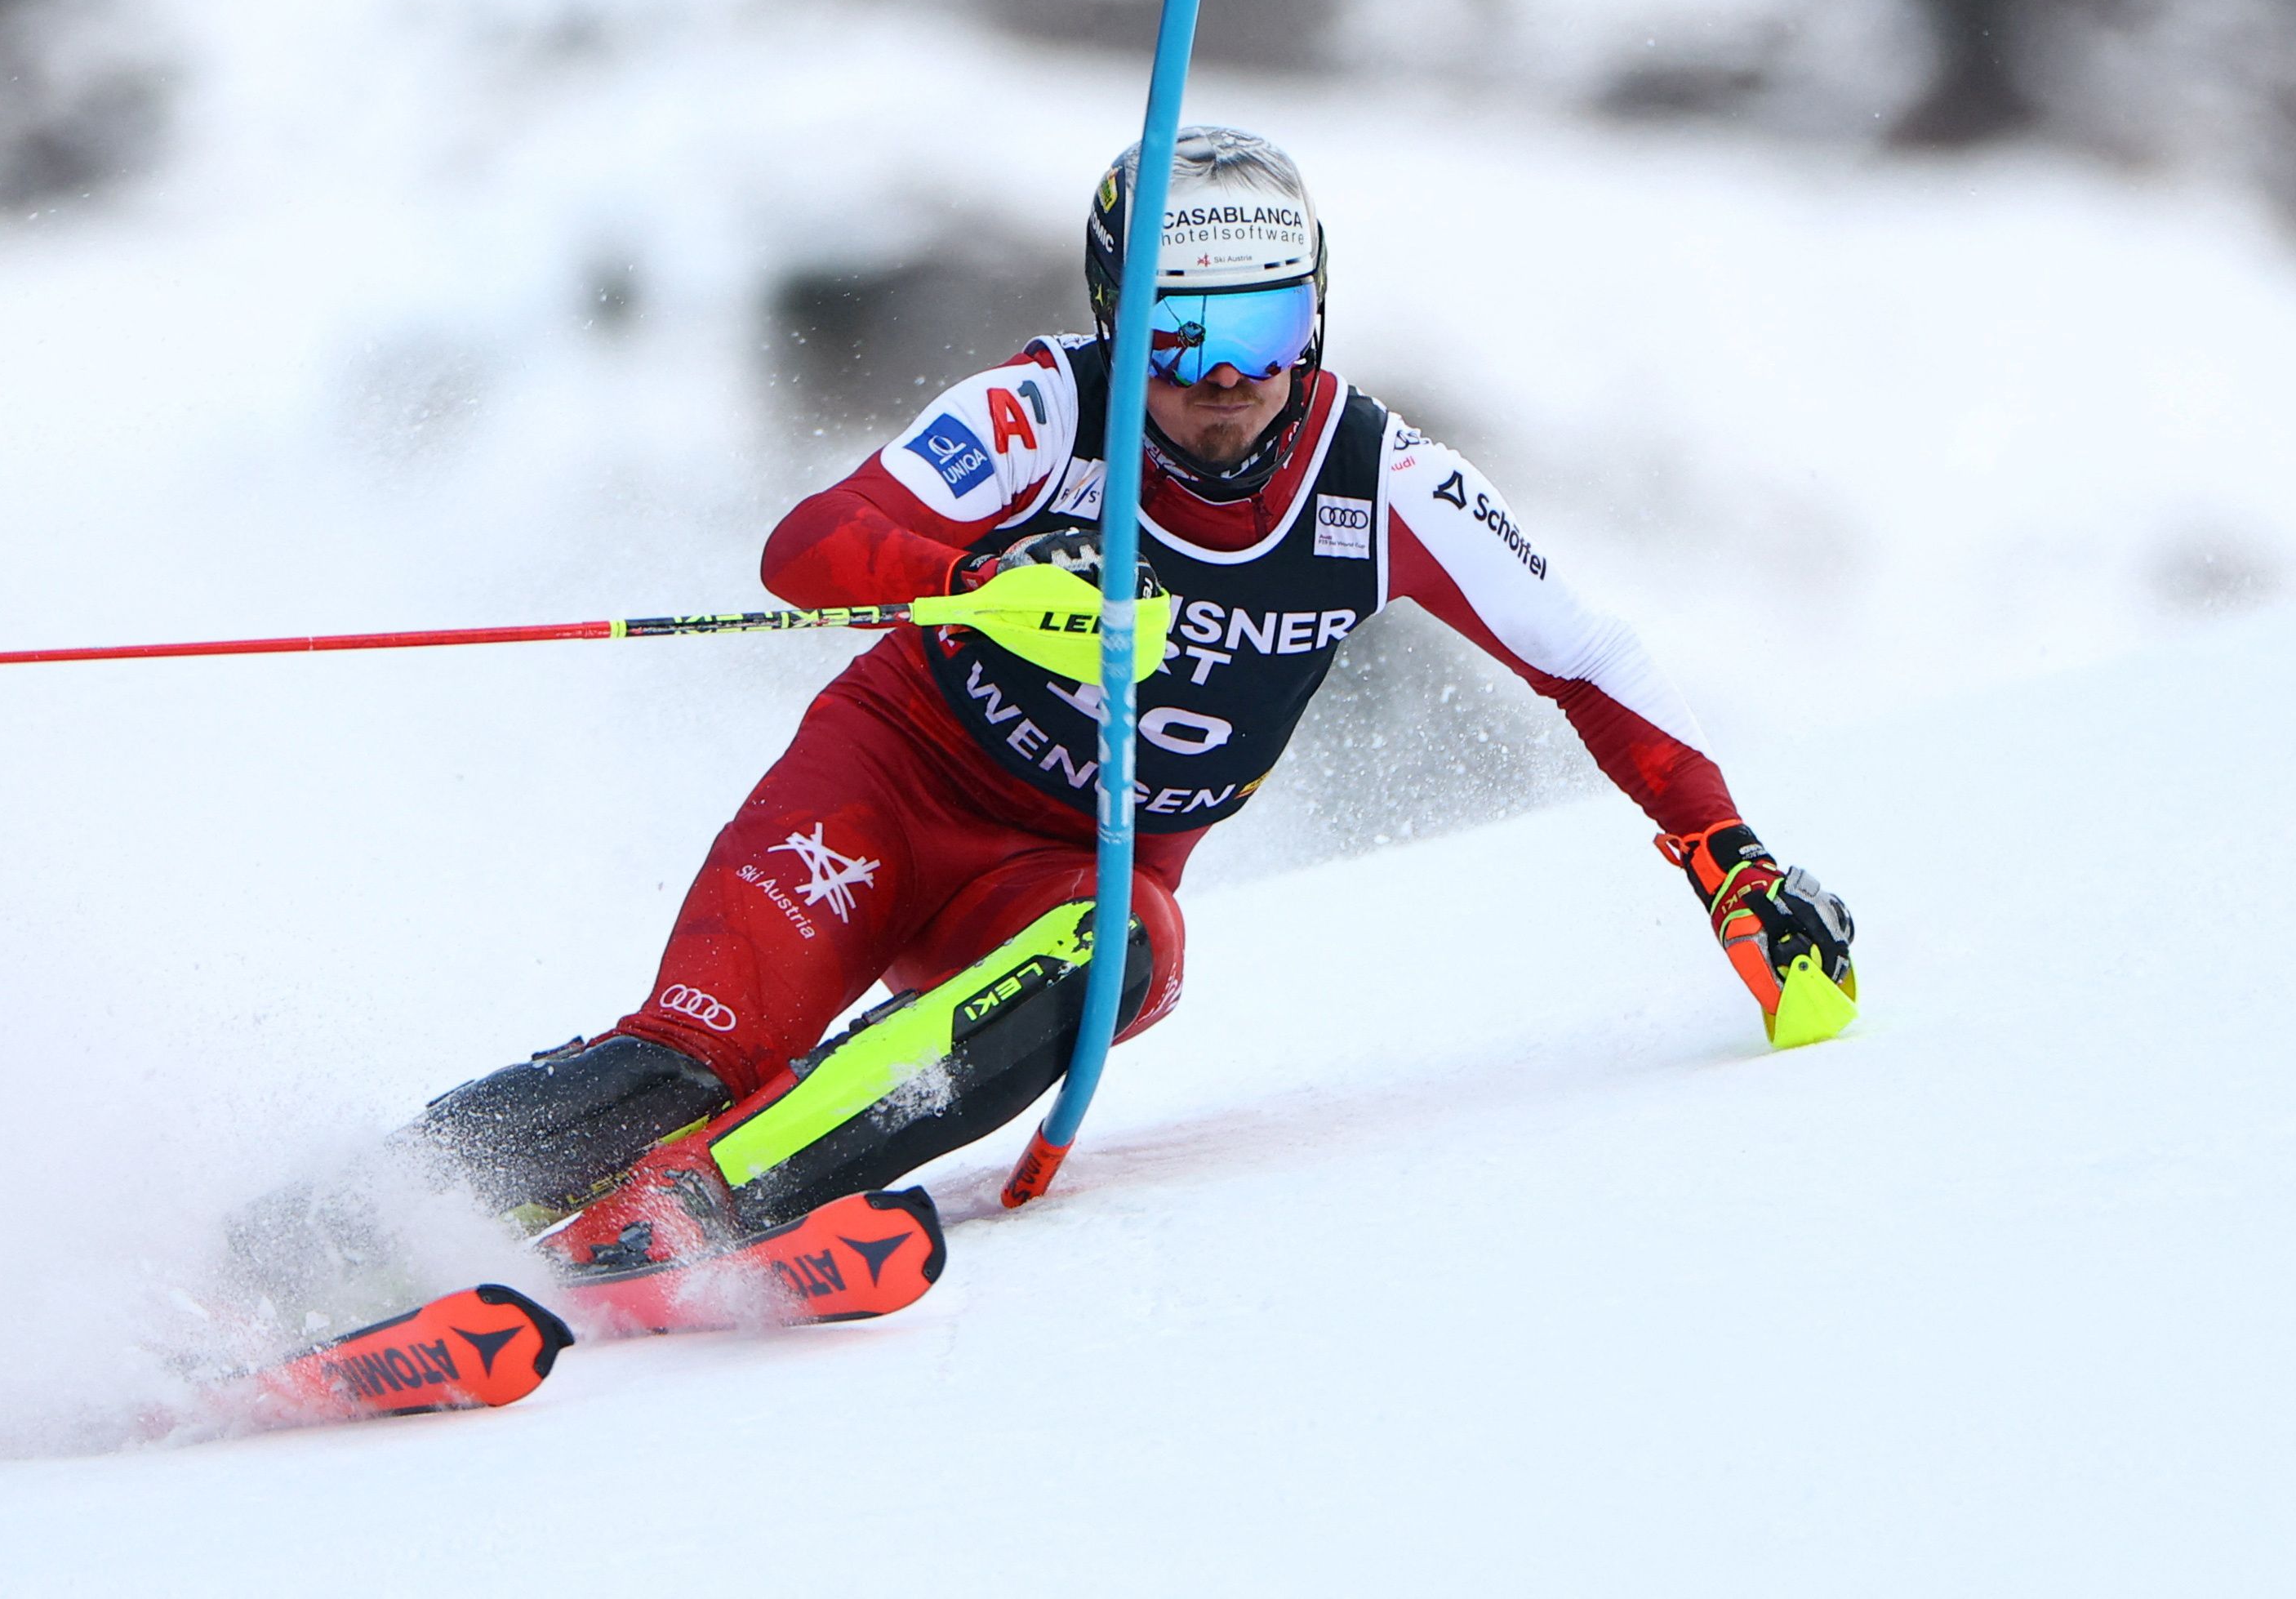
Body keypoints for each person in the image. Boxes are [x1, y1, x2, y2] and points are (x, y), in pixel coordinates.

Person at [408, 127, 1855, 1267]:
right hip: (887, 789)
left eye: (1267, 331)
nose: (1226, 384)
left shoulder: (1381, 481)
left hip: (1053, 879)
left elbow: (1588, 658)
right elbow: (806, 547)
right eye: (1180, 337)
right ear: (1117, 319)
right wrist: (982, 569)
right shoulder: (1045, 412)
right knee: (695, 1054)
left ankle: (702, 1207)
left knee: (1129, 951)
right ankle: (344, 1219)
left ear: (1318, 319)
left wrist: (1727, 859)